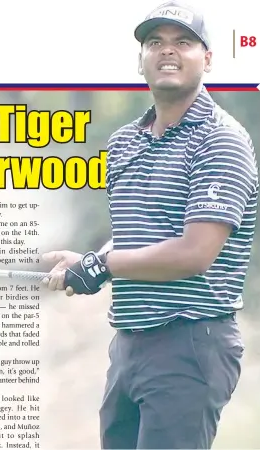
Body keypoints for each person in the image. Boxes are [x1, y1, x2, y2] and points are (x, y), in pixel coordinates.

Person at [41, 1, 259, 449]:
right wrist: (92, 259)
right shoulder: (125, 143)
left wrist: (105, 267)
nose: (167, 51)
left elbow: (195, 253)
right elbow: (142, 233)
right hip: (129, 345)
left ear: (208, 59)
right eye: (154, 42)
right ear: (140, 59)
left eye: (183, 42)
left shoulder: (221, 141)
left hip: (190, 344)